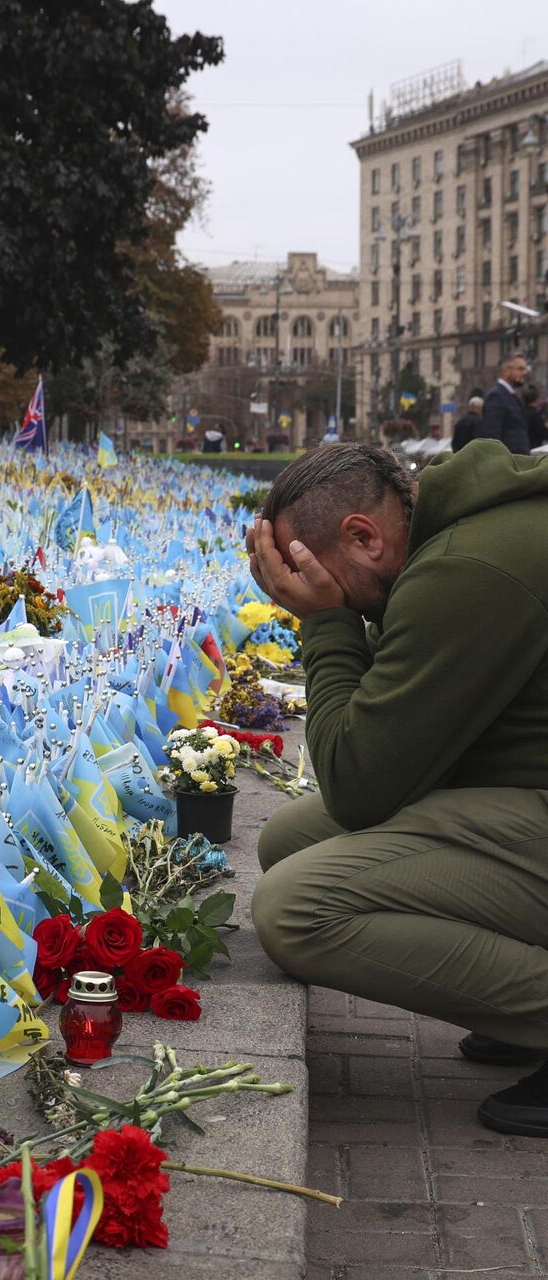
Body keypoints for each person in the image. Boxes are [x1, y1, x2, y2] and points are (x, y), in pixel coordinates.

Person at [246, 440, 548, 1138]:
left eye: (309, 571)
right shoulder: (458, 532)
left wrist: (325, 622)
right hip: (523, 790)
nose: (308, 588)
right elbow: (393, 748)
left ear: (362, 535)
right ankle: (520, 1011)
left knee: (296, 911)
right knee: (288, 839)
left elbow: (358, 783)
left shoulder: (465, 570)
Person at [478, 352, 531, 453]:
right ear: (506, 371)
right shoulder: (496, 396)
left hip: (518, 462)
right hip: (508, 464)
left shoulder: (511, 395)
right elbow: (492, 437)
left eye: (525, 369)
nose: (524, 373)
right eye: (520, 369)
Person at [523, 383, 546, 450]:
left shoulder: (520, 412)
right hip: (534, 449)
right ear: (536, 399)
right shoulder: (535, 415)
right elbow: (541, 432)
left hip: (523, 447)